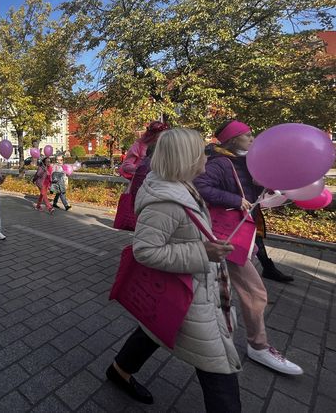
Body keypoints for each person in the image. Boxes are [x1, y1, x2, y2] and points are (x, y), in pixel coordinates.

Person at [107, 128, 241, 412]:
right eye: (201, 152)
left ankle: (119, 371)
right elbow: (146, 251)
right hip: (192, 291)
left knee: (153, 329)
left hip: (193, 286)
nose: (206, 157)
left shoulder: (181, 184)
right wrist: (202, 252)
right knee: (219, 364)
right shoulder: (165, 201)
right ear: (186, 158)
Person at [194, 119, 301, 375]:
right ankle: (259, 346)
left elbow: (255, 190)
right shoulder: (221, 163)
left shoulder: (247, 163)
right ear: (233, 141)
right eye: (248, 135)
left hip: (240, 231)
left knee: (214, 286)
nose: (253, 139)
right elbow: (200, 186)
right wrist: (235, 199)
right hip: (227, 235)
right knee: (255, 293)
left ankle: (203, 325)